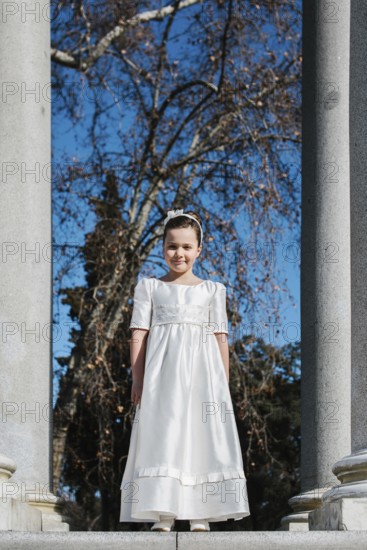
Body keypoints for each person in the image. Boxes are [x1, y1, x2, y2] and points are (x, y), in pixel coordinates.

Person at [119, 208, 250, 532]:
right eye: (172, 246)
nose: (179, 253)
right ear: (163, 247)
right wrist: (138, 379)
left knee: (201, 437)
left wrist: (223, 384)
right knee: (164, 435)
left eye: (186, 247)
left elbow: (221, 339)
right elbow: (139, 334)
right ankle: (163, 511)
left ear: (199, 249)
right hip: (162, 378)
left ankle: (200, 512)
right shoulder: (149, 287)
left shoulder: (212, 290)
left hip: (204, 379)